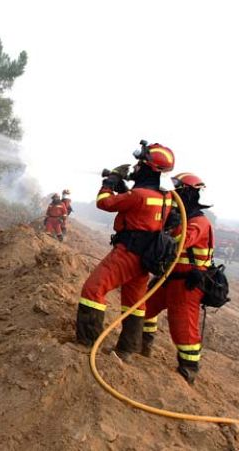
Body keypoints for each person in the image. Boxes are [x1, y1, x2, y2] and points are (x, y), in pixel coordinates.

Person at [76, 142, 175, 359]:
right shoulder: (166, 197)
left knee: (93, 290)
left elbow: (105, 203)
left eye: (140, 163)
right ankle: (127, 349)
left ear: (149, 168)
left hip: (127, 254)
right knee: (134, 303)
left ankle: (87, 342)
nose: (136, 167)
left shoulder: (138, 195)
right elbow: (140, 207)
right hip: (145, 259)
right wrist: (124, 189)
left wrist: (109, 182)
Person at [142, 173, 214, 384]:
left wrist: (170, 226)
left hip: (186, 283)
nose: (174, 194)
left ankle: (188, 370)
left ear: (189, 193)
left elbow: (178, 241)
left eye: (178, 190)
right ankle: (143, 343)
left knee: (182, 327)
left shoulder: (198, 222)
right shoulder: (182, 217)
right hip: (169, 278)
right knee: (144, 307)